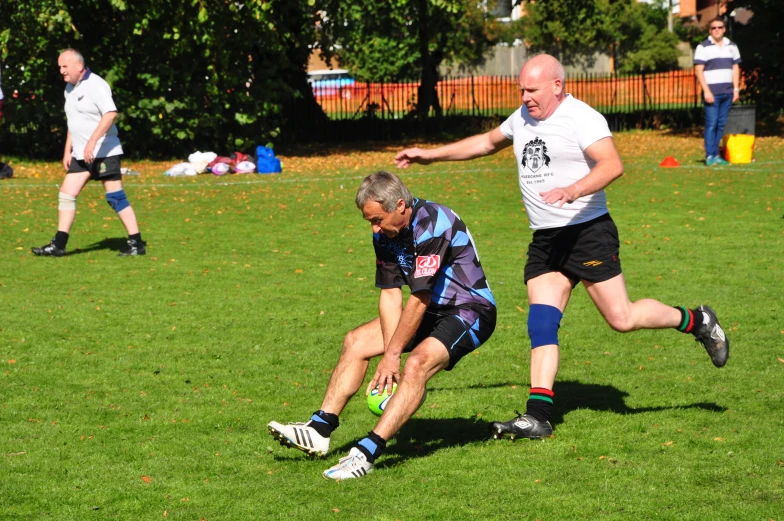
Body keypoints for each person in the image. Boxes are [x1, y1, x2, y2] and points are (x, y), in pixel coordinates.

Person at [394, 54, 729, 441]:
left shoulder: (582, 118)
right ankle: (538, 417)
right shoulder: (521, 117)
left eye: (532, 90)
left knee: (622, 318)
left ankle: (698, 320)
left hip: (588, 232)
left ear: (557, 85)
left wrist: (573, 189)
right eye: (521, 89)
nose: (525, 97)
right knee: (541, 323)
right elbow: (487, 143)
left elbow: (611, 165)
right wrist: (429, 156)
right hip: (547, 239)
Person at [268, 171, 496, 479]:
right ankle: (320, 428)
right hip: (428, 309)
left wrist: (393, 357)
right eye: (369, 222)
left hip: (470, 310)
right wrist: (390, 351)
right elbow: (391, 295)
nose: (374, 228)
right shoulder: (385, 234)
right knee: (356, 341)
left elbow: (418, 297)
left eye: (378, 220)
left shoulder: (433, 223)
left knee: (416, 364)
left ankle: (366, 453)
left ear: (400, 205)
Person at [31, 48, 145, 257]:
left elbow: (111, 113)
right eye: (59, 67)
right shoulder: (69, 88)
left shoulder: (96, 85)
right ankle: (59, 245)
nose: (62, 71)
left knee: (115, 197)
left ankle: (136, 244)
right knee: (66, 194)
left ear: (79, 66)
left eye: (65, 66)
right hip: (81, 154)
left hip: (105, 151)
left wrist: (92, 142)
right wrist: (68, 150)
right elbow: (73, 122)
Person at [694, 17, 741, 166]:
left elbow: (735, 68)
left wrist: (736, 89)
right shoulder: (702, 47)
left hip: (727, 92)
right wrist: (706, 91)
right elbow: (698, 71)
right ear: (710, 30)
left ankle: (716, 154)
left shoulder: (731, 46)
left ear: (724, 29)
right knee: (712, 124)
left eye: (719, 27)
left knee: (721, 124)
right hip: (712, 93)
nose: (717, 30)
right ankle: (710, 155)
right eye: (714, 28)